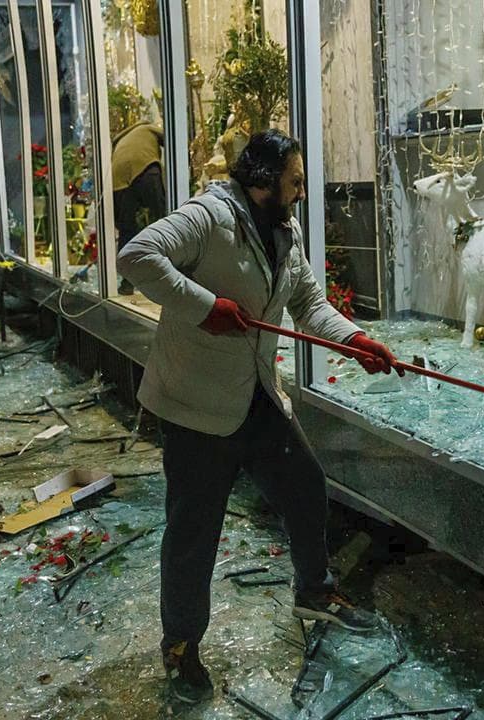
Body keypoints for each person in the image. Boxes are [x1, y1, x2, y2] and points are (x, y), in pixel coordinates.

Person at [118, 129, 402, 704]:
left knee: (305, 487)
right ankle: (180, 647)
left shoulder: (283, 231)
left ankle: (315, 591)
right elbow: (136, 257)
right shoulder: (208, 215)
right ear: (262, 181)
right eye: (294, 180)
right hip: (197, 407)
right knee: (194, 532)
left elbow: (307, 303)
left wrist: (355, 341)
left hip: (256, 397)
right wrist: (205, 308)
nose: (301, 191)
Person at [111, 122, 167, 295]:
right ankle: (166, 279)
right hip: (145, 167)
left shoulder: (120, 141)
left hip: (118, 177)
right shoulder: (148, 128)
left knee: (126, 229)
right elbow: (172, 138)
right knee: (164, 221)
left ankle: (126, 284)